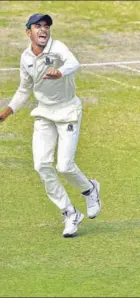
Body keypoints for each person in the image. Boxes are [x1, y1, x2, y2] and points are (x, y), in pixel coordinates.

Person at [0, 14, 101, 238]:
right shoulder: (26, 57)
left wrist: (60, 71)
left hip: (67, 111)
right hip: (44, 113)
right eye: (38, 26)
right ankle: (69, 212)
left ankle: (89, 189)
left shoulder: (58, 48)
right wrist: (7, 111)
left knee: (64, 166)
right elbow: (25, 88)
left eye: (46, 26)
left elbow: (74, 62)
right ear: (29, 33)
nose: (43, 29)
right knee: (42, 165)